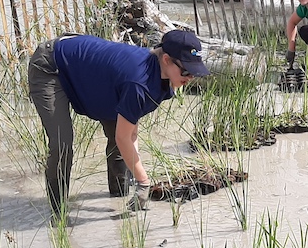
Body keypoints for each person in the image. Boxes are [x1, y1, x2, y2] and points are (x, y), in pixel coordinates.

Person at [28, 30, 210, 216]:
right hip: (51, 66)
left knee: (119, 139)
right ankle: (58, 213)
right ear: (166, 60)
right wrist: (144, 181)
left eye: (195, 72)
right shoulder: (139, 82)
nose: (190, 78)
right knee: (62, 144)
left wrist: (137, 178)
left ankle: (120, 197)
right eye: (186, 71)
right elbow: (125, 137)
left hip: (89, 73)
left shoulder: (161, 80)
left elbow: (130, 133)